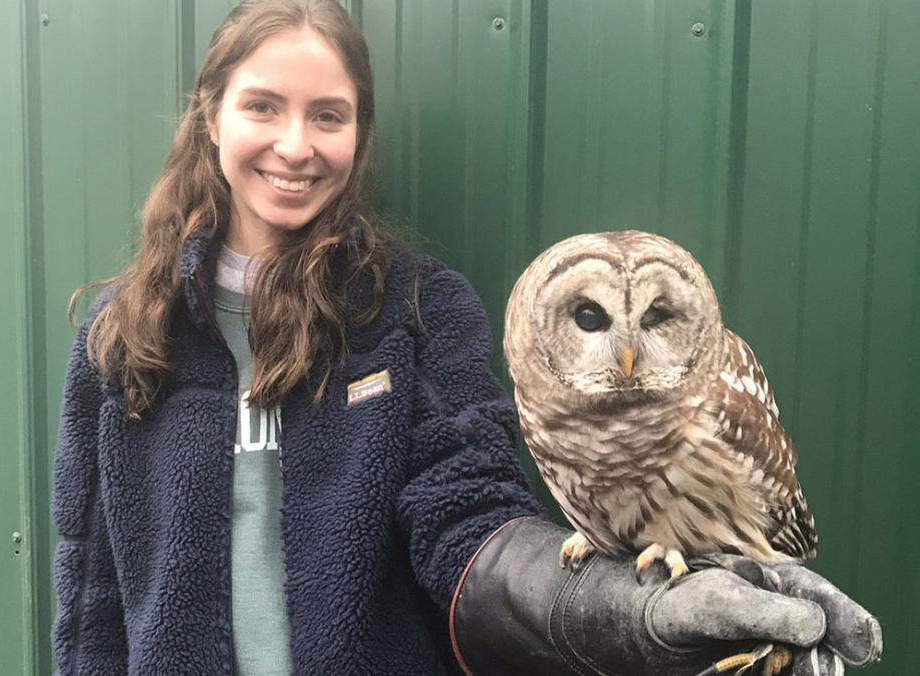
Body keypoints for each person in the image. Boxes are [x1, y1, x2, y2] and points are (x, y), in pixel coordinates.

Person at [50, 1, 882, 674]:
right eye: (262, 106)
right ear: (211, 118)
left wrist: (620, 610)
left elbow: (468, 520)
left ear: (359, 136)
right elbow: (92, 589)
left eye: (328, 115)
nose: (294, 145)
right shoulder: (122, 332)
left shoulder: (413, 307)